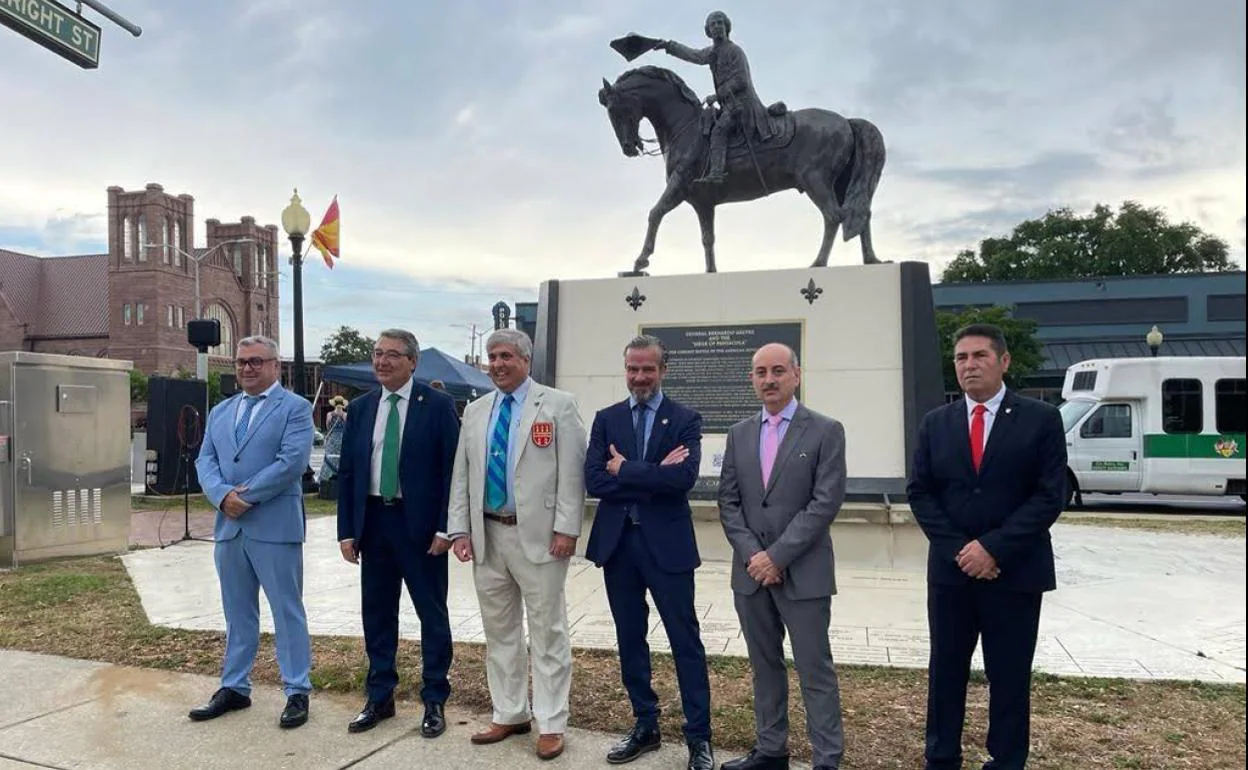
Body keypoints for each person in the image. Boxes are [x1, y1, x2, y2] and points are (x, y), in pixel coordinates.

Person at [906, 323, 1067, 770]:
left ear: (1004, 361)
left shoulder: (1041, 419)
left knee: (1010, 675)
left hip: (1014, 574)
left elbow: (1049, 495)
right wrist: (963, 550)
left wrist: (993, 549)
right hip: (951, 574)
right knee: (946, 672)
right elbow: (920, 492)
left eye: (979, 356)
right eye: (961, 358)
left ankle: (1007, 759)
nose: (969, 365)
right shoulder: (936, 423)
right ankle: (941, 757)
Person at [447, 328, 587, 761]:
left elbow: (572, 472)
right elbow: (463, 473)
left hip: (541, 539)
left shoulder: (557, 404)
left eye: (506, 355)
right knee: (500, 633)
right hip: (488, 535)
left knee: (547, 633)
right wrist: (459, 529)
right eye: (492, 356)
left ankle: (551, 721)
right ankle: (509, 712)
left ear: (525, 360)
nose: (498, 364)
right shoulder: (475, 410)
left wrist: (567, 528)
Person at [584, 335, 714, 770]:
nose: (640, 377)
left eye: (648, 369)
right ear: (625, 370)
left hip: (668, 548)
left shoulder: (685, 419)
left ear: (664, 369)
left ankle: (699, 738)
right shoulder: (607, 420)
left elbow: (685, 480)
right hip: (619, 546)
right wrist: (655, 472)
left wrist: (626, 469)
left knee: (685, 642)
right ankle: (645, 726)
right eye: (632, 369)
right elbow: (595, 482)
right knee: (630, 640)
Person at [717, 342, 847, 770]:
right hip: (751, 575)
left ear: (796, 374)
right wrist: (756, 556)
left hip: (803, 573)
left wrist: (777, 556)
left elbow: (824, 503)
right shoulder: (738, 434)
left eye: (777, 371)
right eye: (760, 372)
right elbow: (729, 504)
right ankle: (771, 751)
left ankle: (827, 759)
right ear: (752, 379)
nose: (769, 380)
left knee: (815, 670)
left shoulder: (826, 430)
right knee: (764, 665)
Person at [336, 329, 459, 738]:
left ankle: (434, 698)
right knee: (377, 614)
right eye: (377, 354)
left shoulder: (438, 405)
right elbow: (350, 473)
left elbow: (451, 473)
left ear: (412, 362)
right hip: (374, 523)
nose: (382, 361)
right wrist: (347, 531)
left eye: (392, 355)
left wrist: (447, 528)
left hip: (421, 528)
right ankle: (380, 696)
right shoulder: (359, 408)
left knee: (431, 615)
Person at [191, 335, 314, 729]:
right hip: (229, 529)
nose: (247, 368)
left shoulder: (294, 408)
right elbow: (205, 459)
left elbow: (292, 461)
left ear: (275, 366)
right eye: (242, 362)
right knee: (237, 613)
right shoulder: (221, 412)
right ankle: (234, 687)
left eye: (256, 361)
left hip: (274, 527)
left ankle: (297, 690)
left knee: (286, 611)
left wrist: (246, 496)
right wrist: (221, 496)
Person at [658, 10, 772, 183]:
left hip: (743, 105)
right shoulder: (712, 53)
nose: (717, 26)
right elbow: (693, 55)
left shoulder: (735, 51)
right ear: (708, 30)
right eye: (713, 24)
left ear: (726, 27)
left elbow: (741, 81)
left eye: (720, 23)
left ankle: (717, 173)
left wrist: (716, 96)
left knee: (719, 131)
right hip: (729, 106)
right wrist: (668, 46)